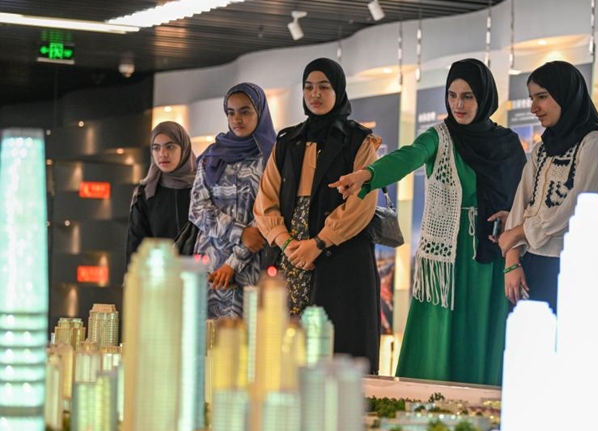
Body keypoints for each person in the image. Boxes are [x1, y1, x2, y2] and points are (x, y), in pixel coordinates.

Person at [331, 58, 526, 386]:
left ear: (484, 98)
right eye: (452, 95)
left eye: (467, 96)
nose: (458, 104)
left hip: (492, 254)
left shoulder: (507, 144)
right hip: (448, 259)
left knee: (481, 330)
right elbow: (408, 156)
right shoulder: (440, 137)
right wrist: (368, 175)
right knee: (442, 336)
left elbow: (525, 196)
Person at [253, 58, 381, 372]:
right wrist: (287, 245)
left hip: (341, 257)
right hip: (291, 258)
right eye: (309, 87)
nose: (315, 94)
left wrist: (319, 243)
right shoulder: (288, 141)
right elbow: (265, 201)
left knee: (340, 350)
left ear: (338, 90)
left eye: (324, 87)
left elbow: (362, 202)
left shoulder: (358, 142)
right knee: (287, 356)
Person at [500, 61, 598, 311]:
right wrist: (512, 259)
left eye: (542, 97)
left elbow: (578, 206)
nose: (534, 108)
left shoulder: (594, 143)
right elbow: (522, 200)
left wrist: (519, 232)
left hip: (570, 267)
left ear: (567, 95)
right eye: (531, 98)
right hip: (529, 264)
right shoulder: (542, 148)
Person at [189, 82, 276, 319]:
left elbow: (267, 217)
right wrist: (239, 232)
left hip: (249, 266)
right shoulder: (211, 156)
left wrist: (233, 263)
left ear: (260, 112)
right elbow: (197, 208)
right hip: (208, 265)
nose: (237, 118)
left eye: (245, 111)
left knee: (243, 345)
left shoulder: (272, 158)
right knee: (201, 342)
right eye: (231, 112)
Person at [127, 121, 196, 266]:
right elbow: (136, 246)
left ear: (183, 148)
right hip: (160, 278)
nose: (163, 154)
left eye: (170, 147)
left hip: (199, 277)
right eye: (156, 148)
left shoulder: (202, 188)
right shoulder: (145, 193)